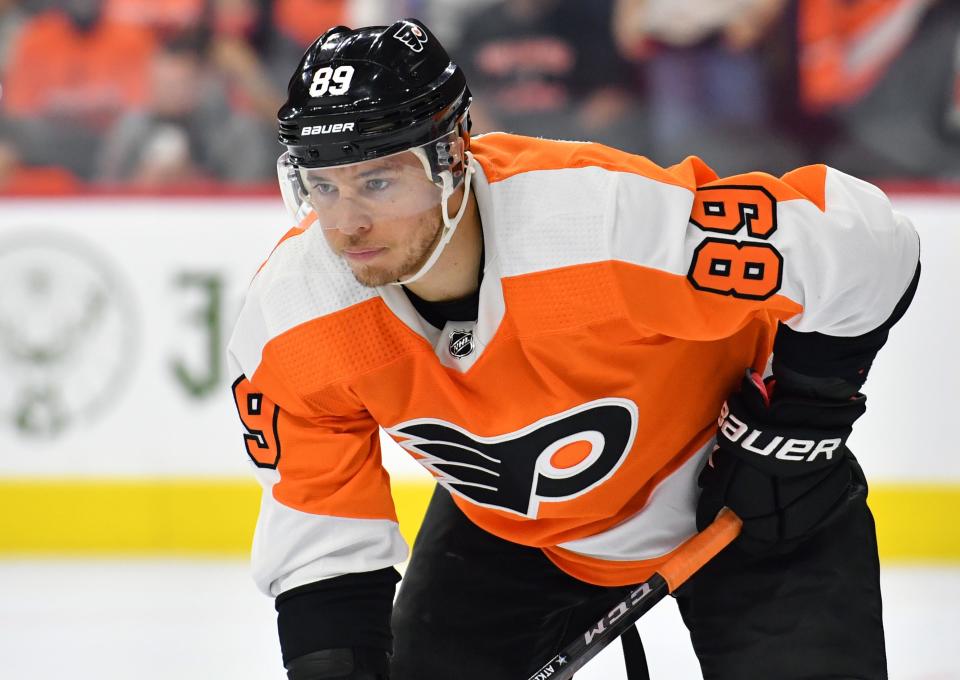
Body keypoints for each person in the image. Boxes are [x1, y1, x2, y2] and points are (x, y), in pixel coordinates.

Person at [227, 18, 920, 680]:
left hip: (754, 503)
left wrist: (798, 422)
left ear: (452, 155)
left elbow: (862, 243)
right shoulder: (296, 314)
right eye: (323, 186)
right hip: (513, 536)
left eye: (378, 180)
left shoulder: (599, 225)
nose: (347, 223)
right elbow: (322, 539)